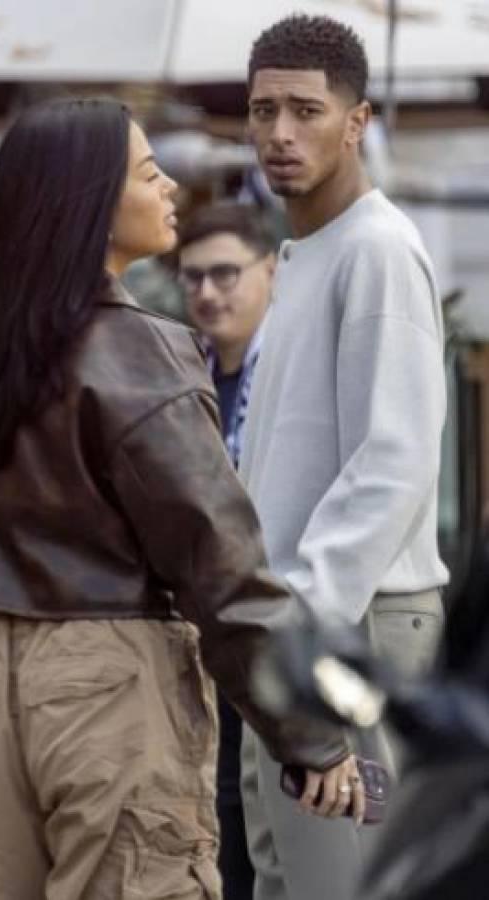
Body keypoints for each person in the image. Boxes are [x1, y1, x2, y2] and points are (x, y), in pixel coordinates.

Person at [0, 97, 363, 900]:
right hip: (104, 674)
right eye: (150, 173)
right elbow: (217, 561)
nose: (171, 187)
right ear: (87, 205)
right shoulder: (139, 353)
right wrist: (310, 731)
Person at [239, 15, 448, 900]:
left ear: (356, 121)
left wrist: (301, 627)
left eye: (305, 111)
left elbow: (391, 463)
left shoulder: (376, 248)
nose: (280, 134)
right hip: (300, 626)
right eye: (261, 111)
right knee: (284, 878)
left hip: (351, 628)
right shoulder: (307, 254)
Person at [177, 202, 276, 899]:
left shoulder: (292, 368)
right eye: (191, 279)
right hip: (199, 633)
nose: (207, 292)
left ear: (269, 271)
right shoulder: (180, 372)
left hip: (275, 625)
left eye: (224, 274)